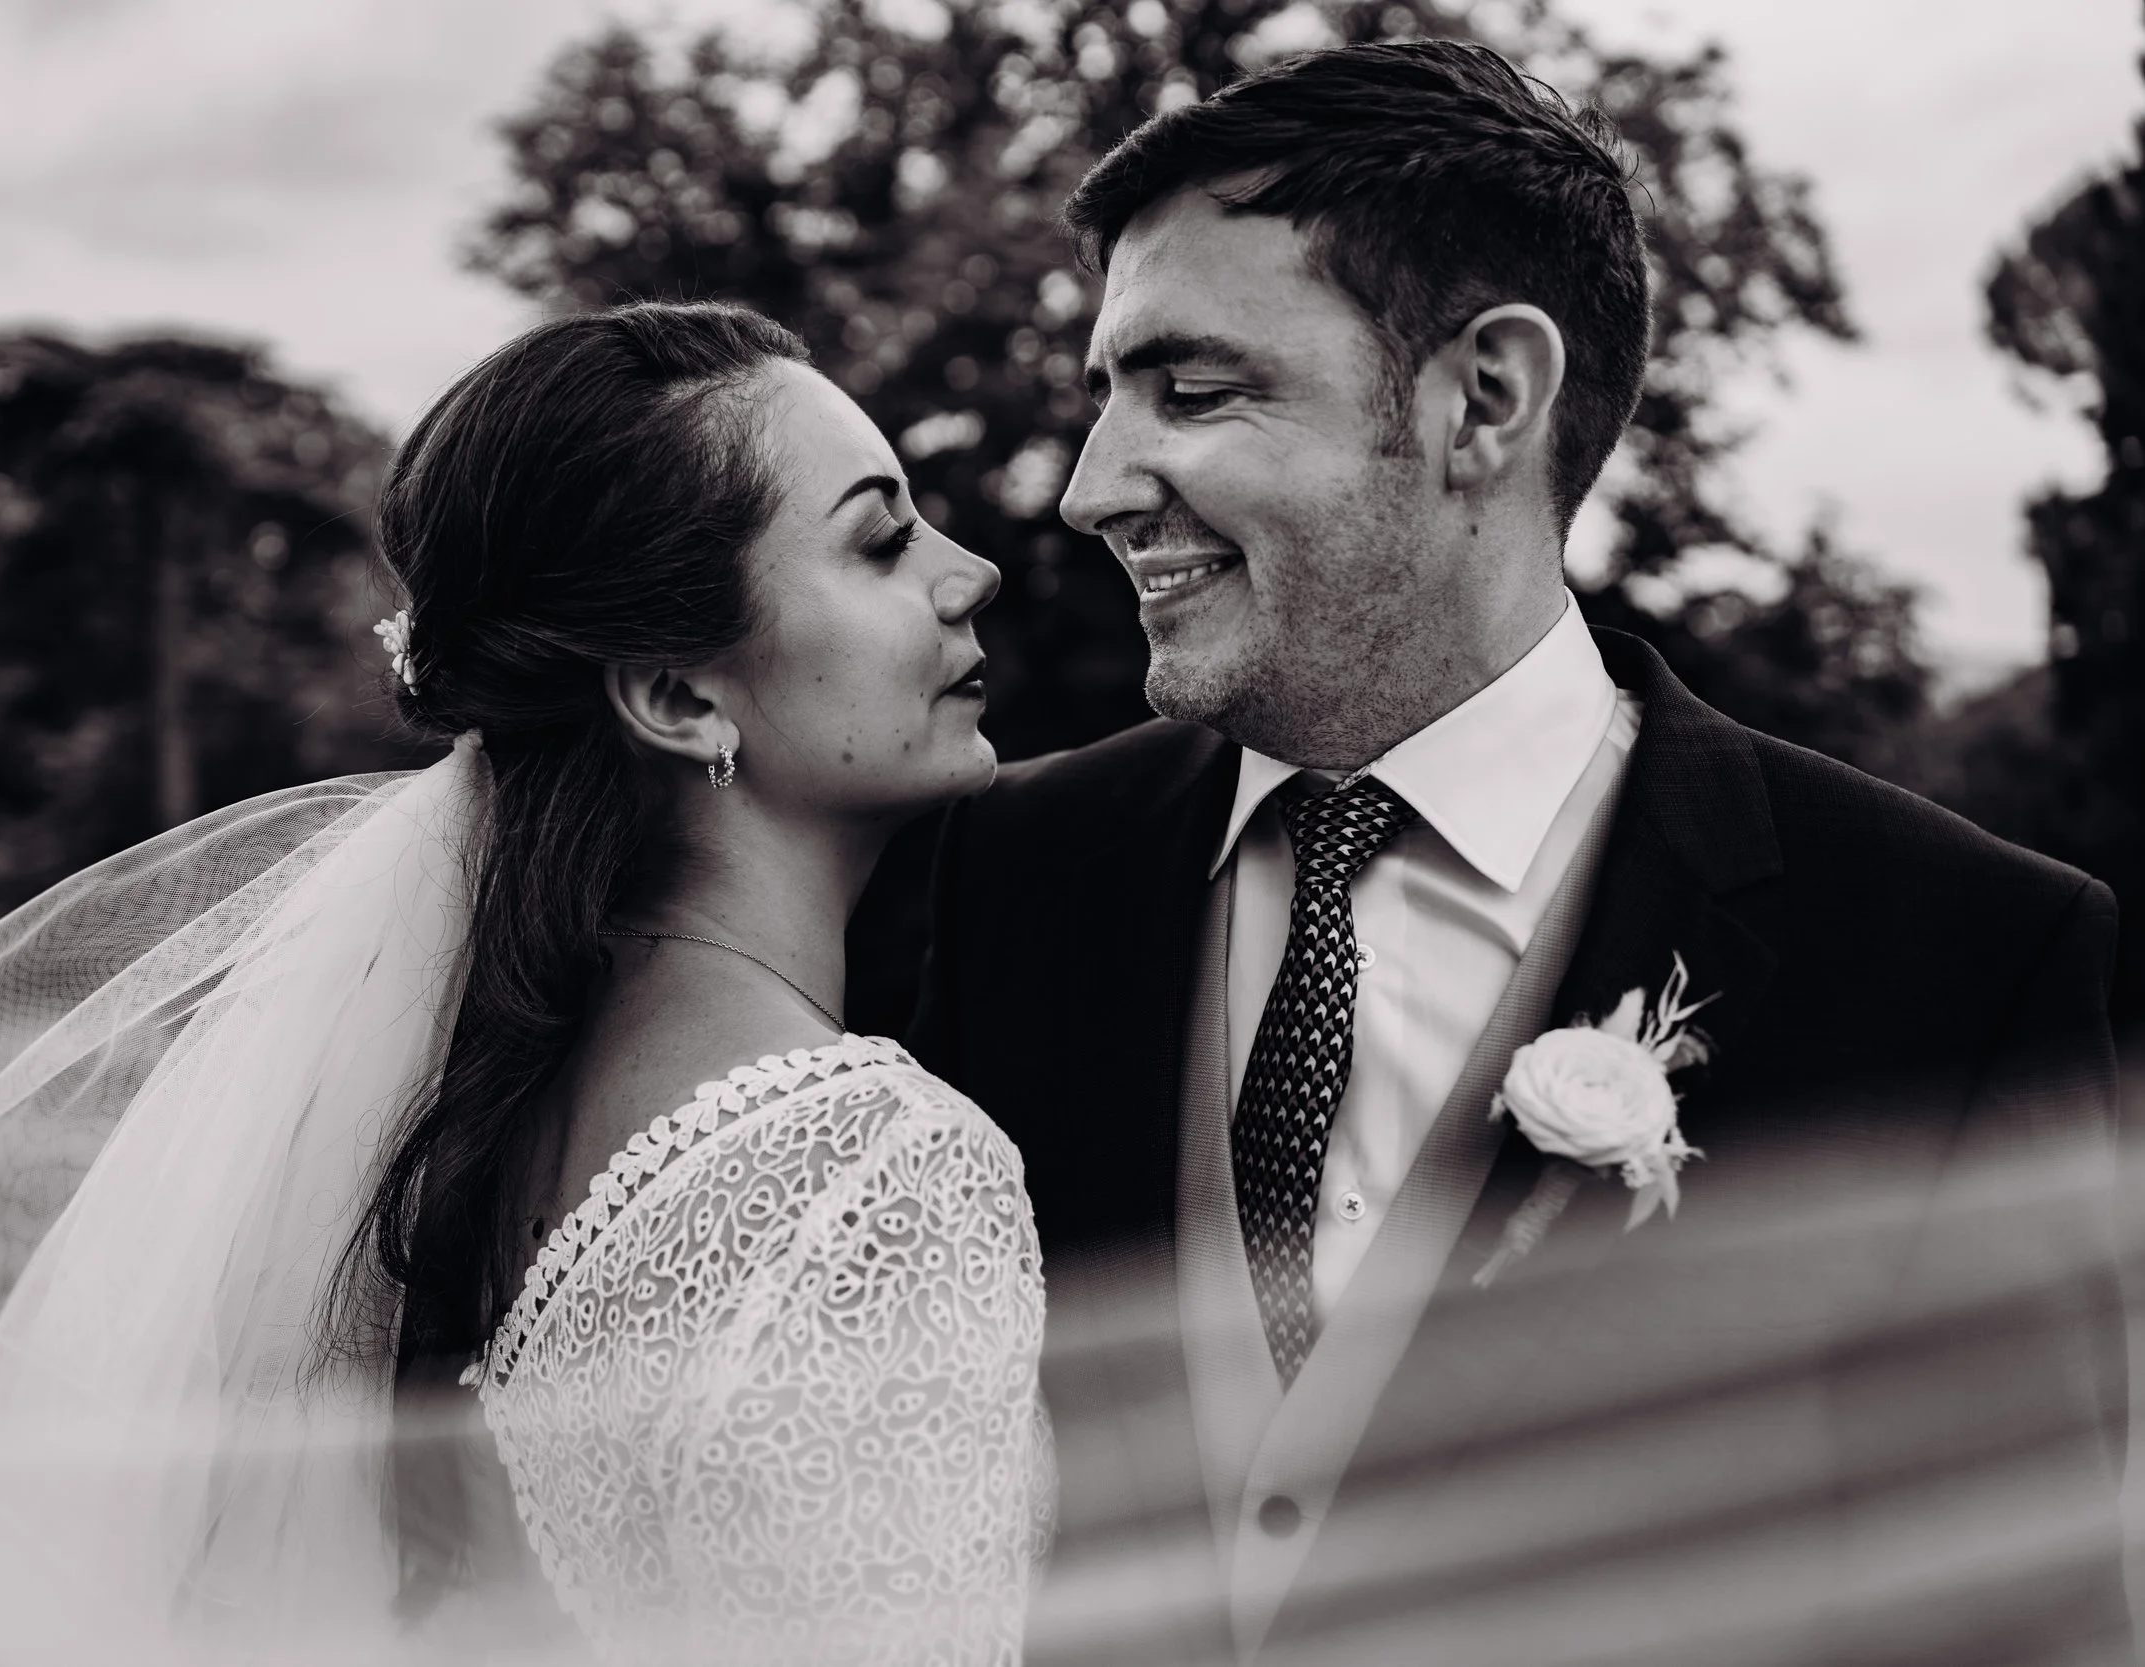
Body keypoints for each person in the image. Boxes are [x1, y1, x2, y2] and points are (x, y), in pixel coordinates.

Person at [860, 40, 2128, 1667]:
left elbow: (2023, 1623)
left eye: (1192, 390)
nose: (1094, 489)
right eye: (1102, 394)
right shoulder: (1019, 869)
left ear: (1484, 400)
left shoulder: (1957, 961)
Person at [0, 302, 1049, 1667]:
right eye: (881, 539)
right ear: (678, 699)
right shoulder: (872, 1170)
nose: (968, 568)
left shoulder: (473, 1095)